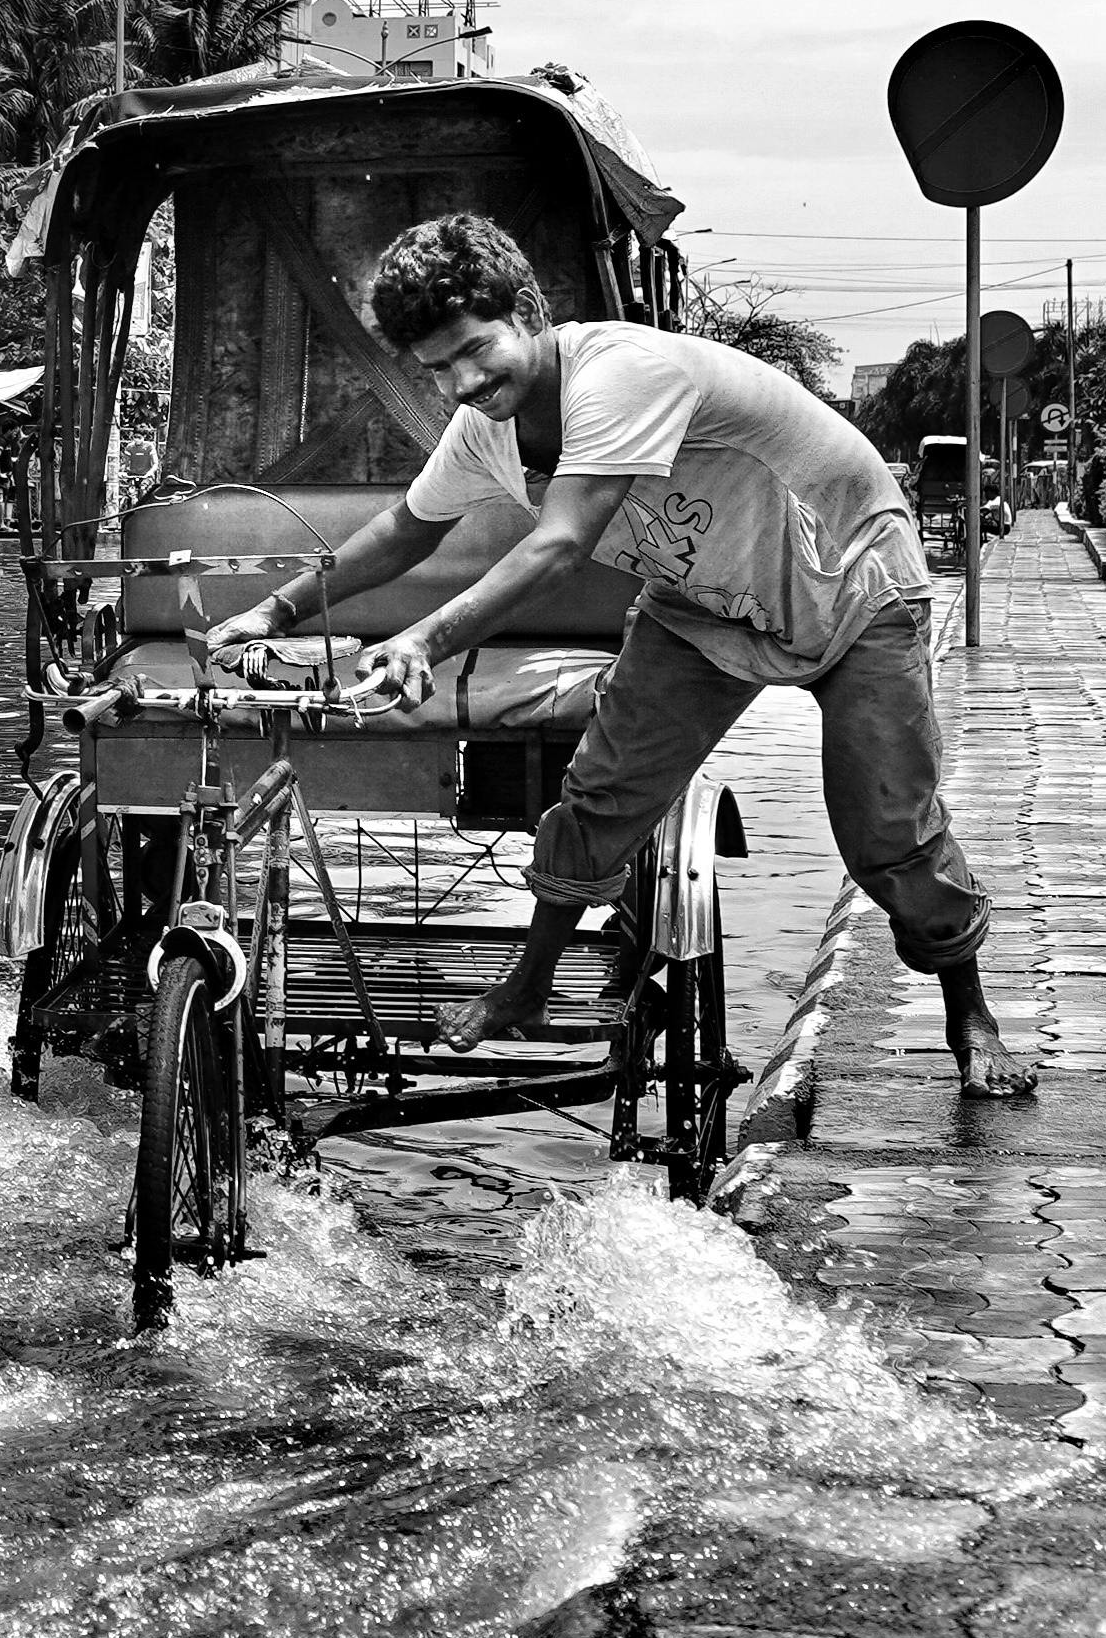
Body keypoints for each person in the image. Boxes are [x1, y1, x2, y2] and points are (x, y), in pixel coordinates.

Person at [200, 212, 1019, 1095]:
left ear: (528, 311)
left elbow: (558, 547)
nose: (464, 382)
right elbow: (406, 529)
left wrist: (423, 640)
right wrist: (275, 612)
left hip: (854, 586)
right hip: (704, 604)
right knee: (600, 794)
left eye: (477, 351)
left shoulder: (620, 375)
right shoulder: (487, 428)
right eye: (438, 369)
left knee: (888, 831)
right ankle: (530, 982)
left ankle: (968, 1013)